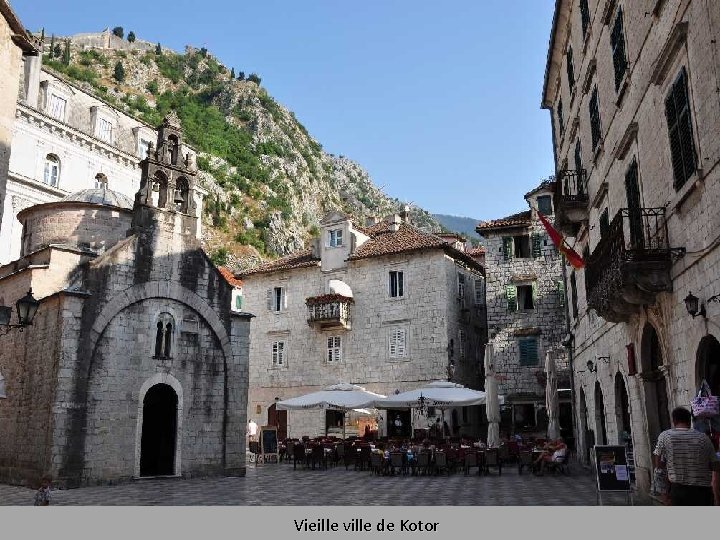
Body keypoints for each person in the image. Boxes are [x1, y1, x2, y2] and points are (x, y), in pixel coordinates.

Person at [654, 407, 720, 505]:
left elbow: (658, 465)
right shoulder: (704, 438)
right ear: (689, 421)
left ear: (674, 421)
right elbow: (715, 466)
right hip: (703, 491)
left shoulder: (665, 436)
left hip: (678, 490)